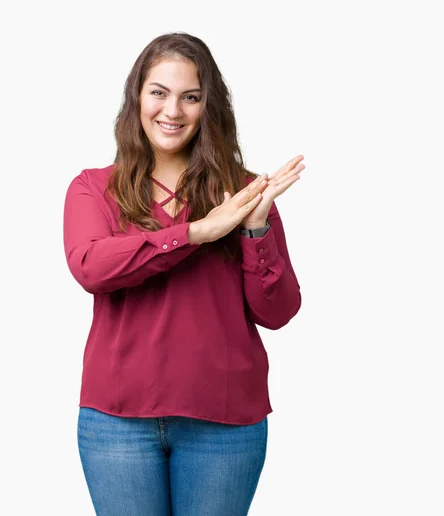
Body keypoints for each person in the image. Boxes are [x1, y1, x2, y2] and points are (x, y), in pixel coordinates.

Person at [63, 31, 305, 516]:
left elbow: (278, 312)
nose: (172, 111)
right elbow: (92, 267)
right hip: (118, 421)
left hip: (224, 421)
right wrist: (196, 232)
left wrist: (253, 231)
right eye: (159, 92)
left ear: (207, 106)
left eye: (190, 97)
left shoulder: (243, 193)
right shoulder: (93, 189)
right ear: (137, 98)